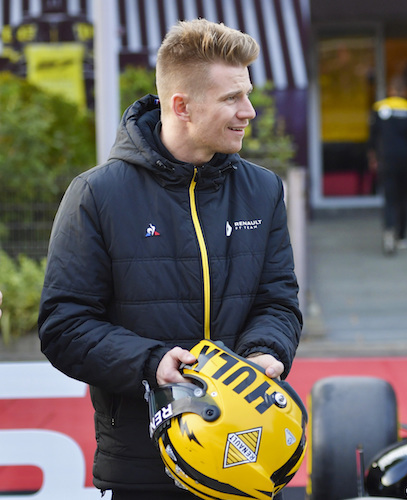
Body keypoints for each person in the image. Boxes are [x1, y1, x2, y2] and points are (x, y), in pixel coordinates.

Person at [38, 19, 302, 499]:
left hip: (250, 456)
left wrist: (266, 352)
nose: (250, 111)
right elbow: (63, 325)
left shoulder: (263, 190)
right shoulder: (96, 195)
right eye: (231, 99)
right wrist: (151, 361)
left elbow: (279, 301)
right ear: (180, 106)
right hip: (144, 467)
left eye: (246, 94)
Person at [367, 74, 407, 255]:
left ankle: (389, 229)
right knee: (403, 197)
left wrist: (373, 159)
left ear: (390, 90)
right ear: (406, 91)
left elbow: (372, 139)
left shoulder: (379, 108)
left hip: (386, 159)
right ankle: (402, 236)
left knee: (389, 198)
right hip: (404, 159)